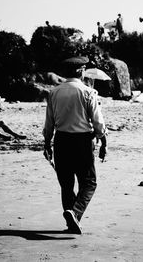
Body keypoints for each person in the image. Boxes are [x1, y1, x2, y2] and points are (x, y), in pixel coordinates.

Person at [42, 56, 107, 234]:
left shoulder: (54, 93)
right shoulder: (88, 92)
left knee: (66, 183)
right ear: (80, 71)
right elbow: (98, 122)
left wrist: (47, 143)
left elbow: (49, 122)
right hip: (82, 141)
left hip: (61, 140)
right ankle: (75, 213)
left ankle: (71, 222)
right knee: (89, 182)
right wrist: (103, 142)